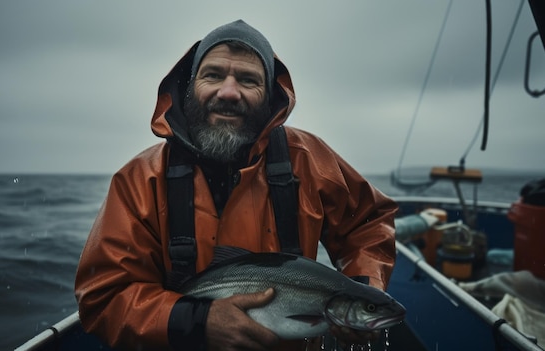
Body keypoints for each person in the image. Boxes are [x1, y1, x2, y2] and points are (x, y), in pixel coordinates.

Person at [75, 19, 398, 351]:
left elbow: (369, 224)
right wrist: (196, 322)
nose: (228, 92)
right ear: (189, 85)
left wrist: (362, 293)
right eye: (213, 75)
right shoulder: (139, 181)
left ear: (270, 96)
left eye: (248, 80)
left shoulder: (311, 161)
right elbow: (104, 297)